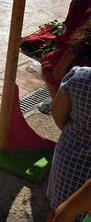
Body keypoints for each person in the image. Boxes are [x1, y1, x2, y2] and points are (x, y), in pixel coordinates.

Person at [38, 0, 91, 113]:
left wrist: (60, 68)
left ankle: (62, 112)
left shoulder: (85, 4)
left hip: (79, 62)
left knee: (49, 67)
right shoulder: (81, 0)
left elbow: (82, 38)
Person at [47, 64, 91, 222]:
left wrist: (75, 133)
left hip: (68, 166)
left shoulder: (80, 76)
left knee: (57, 211)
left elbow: (58, 115)